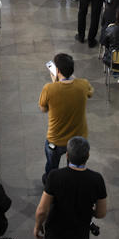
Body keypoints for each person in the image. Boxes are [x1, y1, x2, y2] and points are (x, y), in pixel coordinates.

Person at [34, 136, 107, 239]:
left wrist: (37, 226)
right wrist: (88, 210)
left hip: (56, 233)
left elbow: (43, 210)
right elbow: (101, 213)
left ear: (67, 155)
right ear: (88, 156)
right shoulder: (96, 179)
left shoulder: (54, 176)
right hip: (79, 235)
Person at [39, 53, 94, 184]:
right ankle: (72, 183)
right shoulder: (83, 85)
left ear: (57, 70)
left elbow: (43, 109)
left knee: (52, 166)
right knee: (74, 167)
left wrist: (54, 83)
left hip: (55, 139)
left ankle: (50, 183)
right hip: (77, 138)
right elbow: (90, 92)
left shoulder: (49, 89)